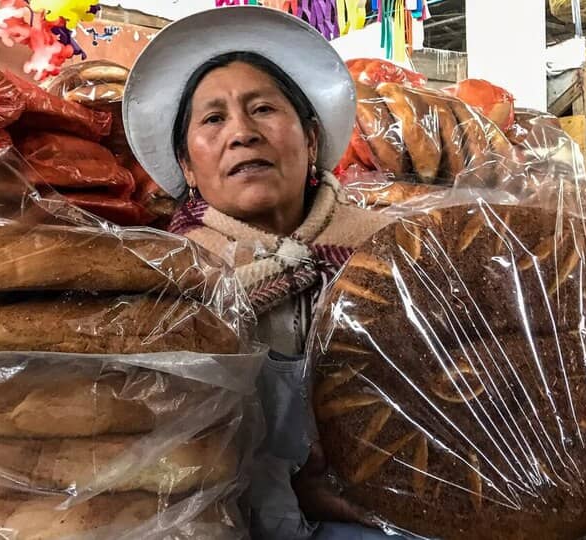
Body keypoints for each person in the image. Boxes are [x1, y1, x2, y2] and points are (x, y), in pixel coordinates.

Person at [123, 6, 404, 540]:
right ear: (187, 166)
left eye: (263, 109)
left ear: (312, 140)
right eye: (213, 119)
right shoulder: (167, 279)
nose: (242, 133)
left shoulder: (394, 251)